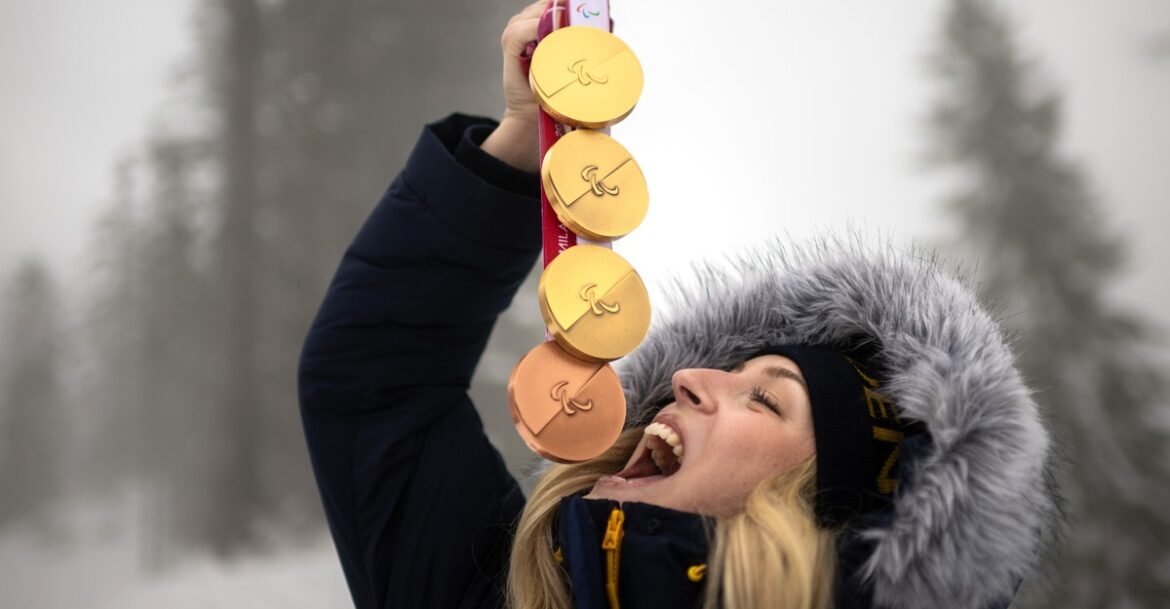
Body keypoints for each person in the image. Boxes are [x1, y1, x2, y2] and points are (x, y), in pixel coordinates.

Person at [296, 2, 1056, 608]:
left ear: (815, 522)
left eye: (765, 397)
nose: (693, 376)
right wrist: (528, 145)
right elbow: (375, 378)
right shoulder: (502, 585)